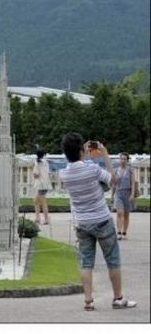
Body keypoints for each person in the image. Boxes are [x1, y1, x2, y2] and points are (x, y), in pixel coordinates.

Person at [58, 133, 137, 311]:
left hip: (82, 223)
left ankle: (88, 301)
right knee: (113, 260)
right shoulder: (92, 169)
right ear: (81, 150)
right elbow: (112, 180)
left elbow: (72, 165)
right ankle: (117, 298)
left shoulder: (64, 174)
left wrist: (80, 155)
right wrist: (105, 155)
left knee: (86, 263)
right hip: (101, 219)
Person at [111, 152, 135, 241]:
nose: (123, 160)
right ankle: (119, 232)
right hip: (118, 193)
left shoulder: (130, 170)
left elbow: (132, 183)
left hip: (127, 193)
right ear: (119, 160)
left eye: (125, 159)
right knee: (119, 213)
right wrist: (112, 195)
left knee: (126, 214)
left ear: (127, 160)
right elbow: (114, 184)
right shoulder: (116, 170)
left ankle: (124, 232)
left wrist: (132, 194)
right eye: (121, 159)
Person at [32, 149, 52, 225]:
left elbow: (35, 174)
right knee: (36, 201)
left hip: (40, 184)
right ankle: (37, 218)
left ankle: (46, 219)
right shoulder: (46, 162)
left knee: (42, 202)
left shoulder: (38, 163)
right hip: (45, 184)